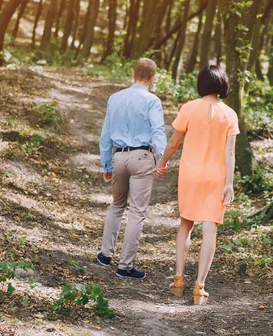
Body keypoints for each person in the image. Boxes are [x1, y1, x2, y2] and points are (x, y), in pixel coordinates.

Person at [155, 64, 239, 304]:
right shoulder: (230, 114)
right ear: (222, 85)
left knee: (186, 224)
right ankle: (199, 288)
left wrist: (162, 162)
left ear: (202, 84)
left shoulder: (189, 108)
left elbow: (173, 142)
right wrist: (229, 183)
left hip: (190, 174)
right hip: (216, 177)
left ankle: (178, 280)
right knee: (210, 229)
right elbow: (230, 153)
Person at [97, 58, 167, 280]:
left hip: (119, 157)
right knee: (137, 211)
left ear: (134, 73)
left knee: (117, 205)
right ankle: (125, 266)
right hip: (142, 157)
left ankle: (105, 255)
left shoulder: (115, 98)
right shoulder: (152, 100)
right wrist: (163, 159)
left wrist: (107, 164)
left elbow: (105, 135)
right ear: (153, 77)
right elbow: (158, 131)